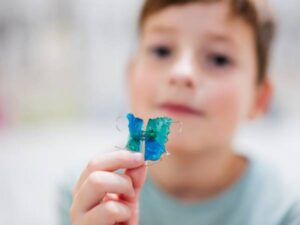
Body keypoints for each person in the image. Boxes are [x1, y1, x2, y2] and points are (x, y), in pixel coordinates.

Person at [62, 0, 300, 224]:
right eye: (162, 51)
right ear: (131, 77)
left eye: (218, 58)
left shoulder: (284, 211)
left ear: (259, 98)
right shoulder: (89, 194)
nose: (182, 73)